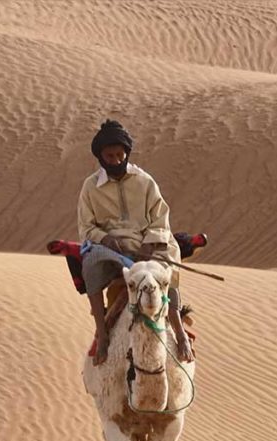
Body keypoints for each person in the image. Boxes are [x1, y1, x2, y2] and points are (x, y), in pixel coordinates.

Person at [78, 119, 195, 366]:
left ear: (127, 153)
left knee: (167, 263)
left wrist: (150, 242)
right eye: (110, 156)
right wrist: (105, 238)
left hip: (148, 244)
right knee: (89, 263)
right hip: (110, 248)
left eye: (120, 155)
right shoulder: (90, 187)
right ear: (100, 156)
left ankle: (180, 335)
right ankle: (102, 333)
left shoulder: (145, 182)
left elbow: (161, 218)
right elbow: (86, 228)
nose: (116, 160)